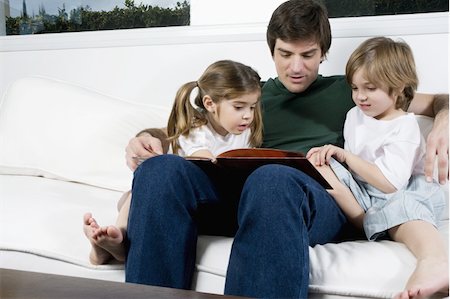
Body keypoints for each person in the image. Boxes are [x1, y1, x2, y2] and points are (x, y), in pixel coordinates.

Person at [124, 1, 449, 298]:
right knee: (159, 169)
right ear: (272, 51)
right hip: (240, 196)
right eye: (285, 54)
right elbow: (192, 127)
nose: (296, 67)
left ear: (323, 53)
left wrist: (444, 120)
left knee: (271, 179)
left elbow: (432, 100)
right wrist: (147, 137)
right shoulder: (251, 95)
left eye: (307, 55)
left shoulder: (348, 91)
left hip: (306, 198)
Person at [83, 59, 263, 265]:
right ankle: (118, 238)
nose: (248, 116)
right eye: (239, 107)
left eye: (252, 107)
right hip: (181, 200)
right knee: (131, 197)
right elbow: (208, 165)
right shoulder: (196, 130)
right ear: (210, 104)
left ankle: (112, 245)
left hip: (214, 205)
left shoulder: (245, 131)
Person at [307, 36, 448, 299]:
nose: (360, 97)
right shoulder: (355, 115)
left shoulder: (403, 126)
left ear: (398, 88)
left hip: (400, 189)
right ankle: (366, 221)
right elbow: (355, 172)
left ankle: (434, 262)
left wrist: (345, 157)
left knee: (401, 206)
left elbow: (390, 183)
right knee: (320, 165)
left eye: (370, 89)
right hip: (365, 188)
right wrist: (329, 159)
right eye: (355, 88)